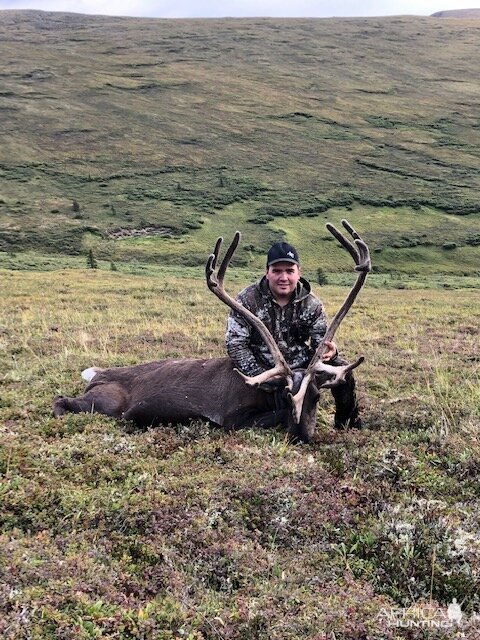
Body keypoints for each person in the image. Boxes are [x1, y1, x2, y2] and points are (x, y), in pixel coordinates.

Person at [225, 240, 360, 430]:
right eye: (277, 271)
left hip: (301, 367)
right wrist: (259, 375)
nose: (283, 277)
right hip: (262, 364)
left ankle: (347, 425)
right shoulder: (247, 300)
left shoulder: (312, 305)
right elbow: (236, 344)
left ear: (299, 273)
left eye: (289, 271)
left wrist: (331, 353)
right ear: (267, 272)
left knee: (343, 368)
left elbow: (320, 343)